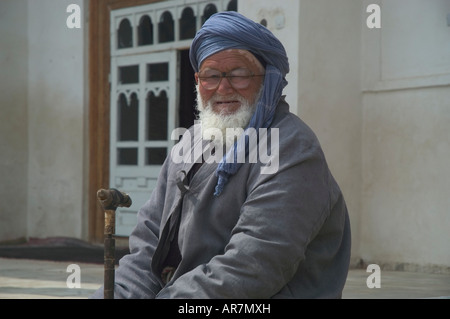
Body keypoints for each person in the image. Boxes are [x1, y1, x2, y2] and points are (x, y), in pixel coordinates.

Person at [91, 11, 351, 299]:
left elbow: (252, 266)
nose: (223, 88)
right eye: (211, 76)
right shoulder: (189, 141)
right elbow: (148, 247)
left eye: (239, 75)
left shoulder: (292, 149)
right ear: (198, 81)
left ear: (269, 80)